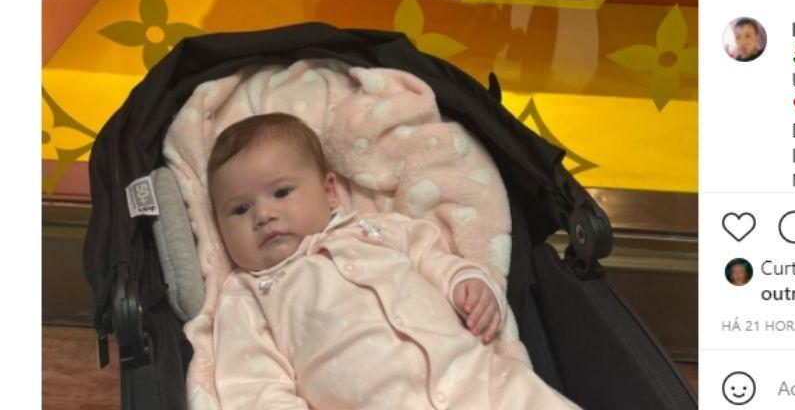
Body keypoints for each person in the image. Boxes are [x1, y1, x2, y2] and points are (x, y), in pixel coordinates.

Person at [208, 112, 580, 409]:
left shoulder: (377, 229)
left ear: (329, 191)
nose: (264, 215)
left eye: (281, 192)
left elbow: (435, 258)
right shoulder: (247, 296)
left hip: (478, 379)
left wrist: (469, 284)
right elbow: (253, 386)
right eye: (240, 209)